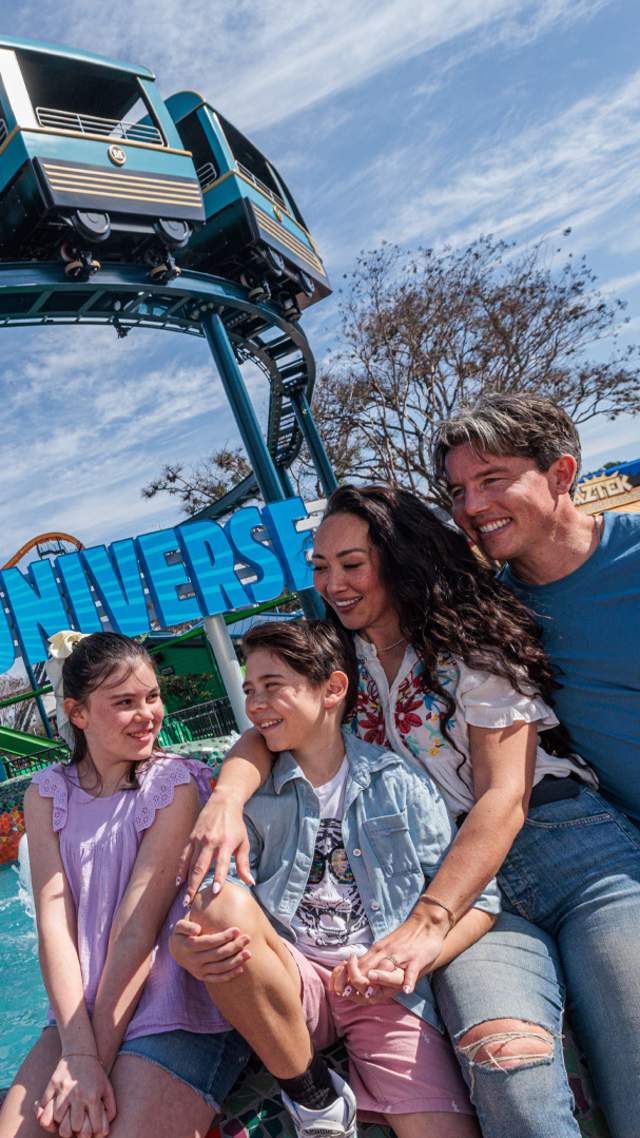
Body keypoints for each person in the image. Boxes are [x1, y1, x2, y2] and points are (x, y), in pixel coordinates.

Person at [177, 484, 640, 1138]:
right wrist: (225, 800)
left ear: (398, 557)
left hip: (567, 849)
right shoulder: (343, 658)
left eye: (352, 563)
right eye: (320, 566)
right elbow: (267, 722)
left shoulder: (469, 639)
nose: (333, 582)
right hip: (463, 885)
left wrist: (424, 923)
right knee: (506, 1060)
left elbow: (503, 798)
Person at [172, 619, 499, 1138]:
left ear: (332, 688)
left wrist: (411, 961)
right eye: (250, 689)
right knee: (218, 903)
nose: (254, 703)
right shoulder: (251, 798)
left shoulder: (398, 783)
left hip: (380, 988)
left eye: (272, 687)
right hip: (291, 978)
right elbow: (206, 896)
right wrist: (185, 946)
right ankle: (314, 1095)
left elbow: (480, 900)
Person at [0, 632, 251, 1138]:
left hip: (172, 1010)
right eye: (125, 703)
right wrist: (76, 1049)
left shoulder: (173, 785)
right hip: (80, 1013)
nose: (147, 714)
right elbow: (54, 927)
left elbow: (137, 931)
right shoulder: (46, 794)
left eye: (152, 697)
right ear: (78, 714)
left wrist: (91, 1065)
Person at [432, 391, 640, 824]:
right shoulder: (491, 618)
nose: (471, 507)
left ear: (561, 474)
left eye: (491, 480)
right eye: (458, 491)